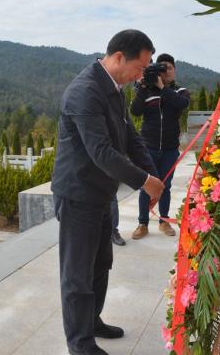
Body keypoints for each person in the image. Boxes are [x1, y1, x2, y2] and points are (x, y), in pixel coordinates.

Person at [51, 29, 164, 355]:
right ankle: (80, 343)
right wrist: (144, 181)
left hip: (101, 193)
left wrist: (153, 176)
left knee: (101, 264)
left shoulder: (115, 89)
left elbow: (130, 138)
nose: (141, 75)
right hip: (77, 194)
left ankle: (93, 322)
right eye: (140, 68)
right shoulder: (84, 92)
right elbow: (101, 152)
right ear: (118, 58)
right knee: (77, 274)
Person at [130, 53, 190, 239]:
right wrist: (142, 87)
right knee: (146, 186)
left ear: (174, 71)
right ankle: (142, 224)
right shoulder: (147, 91)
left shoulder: (180, 91)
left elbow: (181, 104)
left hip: (170, 149)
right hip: (148, 147)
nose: (166, 71)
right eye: (162, 68)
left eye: (169, 68)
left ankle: (164, 222)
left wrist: (162, 87)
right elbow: (135, 111)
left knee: (165, 186)